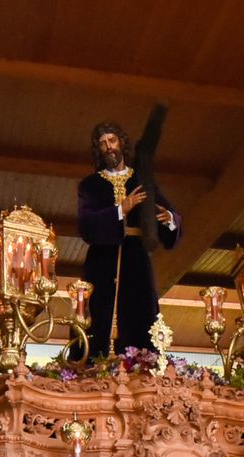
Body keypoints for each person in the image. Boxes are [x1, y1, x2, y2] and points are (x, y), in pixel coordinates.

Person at [77, 120, 181, 357]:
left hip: (136, 258)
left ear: (121, 143)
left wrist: (169, 218)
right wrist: (120, 209)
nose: (108, 147)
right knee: (98, 311)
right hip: (102, 259)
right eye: (103, 143)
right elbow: (86, 225)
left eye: (112, 140)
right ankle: (96, 363)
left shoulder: (141, 180)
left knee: (140, 310)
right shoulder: (90, 185)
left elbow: (166, 213)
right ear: (98, 149)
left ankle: (141, 363)